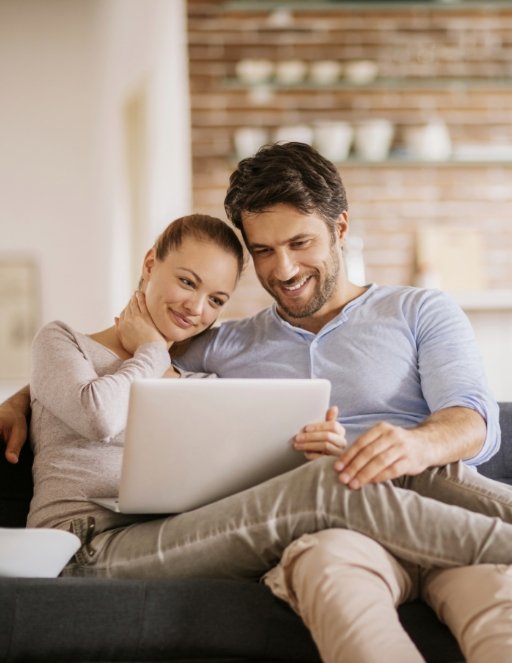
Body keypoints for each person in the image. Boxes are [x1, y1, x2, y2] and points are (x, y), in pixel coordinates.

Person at [1, 148, 512, 660]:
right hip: (330, 534)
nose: (284, 268)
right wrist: (25, 398)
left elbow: (474, 419)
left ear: (340, 228)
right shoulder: (221, 346)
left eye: (299, 242)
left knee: (431, 491)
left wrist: (410, 446)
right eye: (264, 250)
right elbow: (113, 361)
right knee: (331, 541)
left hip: (431, 505)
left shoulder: (419, 310)